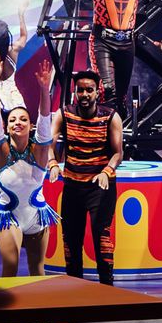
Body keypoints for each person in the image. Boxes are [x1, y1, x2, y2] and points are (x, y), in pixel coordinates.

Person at [0, 55, 55, 323]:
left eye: (23, 119)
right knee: (11, 265)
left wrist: (44, 90)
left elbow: (46, 120)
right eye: (12, 119)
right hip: (9, 216)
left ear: (30, 124)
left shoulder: (40, 151)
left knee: (38, 270)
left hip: (37, 215)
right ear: (7, 126)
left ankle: (39, 312)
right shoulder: (0, 152)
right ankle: (5, 322)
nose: (17, 122)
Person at [56, 69, 124, 285]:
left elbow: (118, 153)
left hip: (100, 188)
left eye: (89, 90)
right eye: (80, 90)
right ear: (75, 92)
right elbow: (48, 142)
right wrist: (52, 163)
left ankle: (107, 288)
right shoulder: (64, 114)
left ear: (97, 92)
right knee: (71, 240)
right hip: (72, 187)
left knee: (101, 237)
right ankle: (75, 288)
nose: (84, 94)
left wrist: (106, 171)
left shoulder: (110, 117)